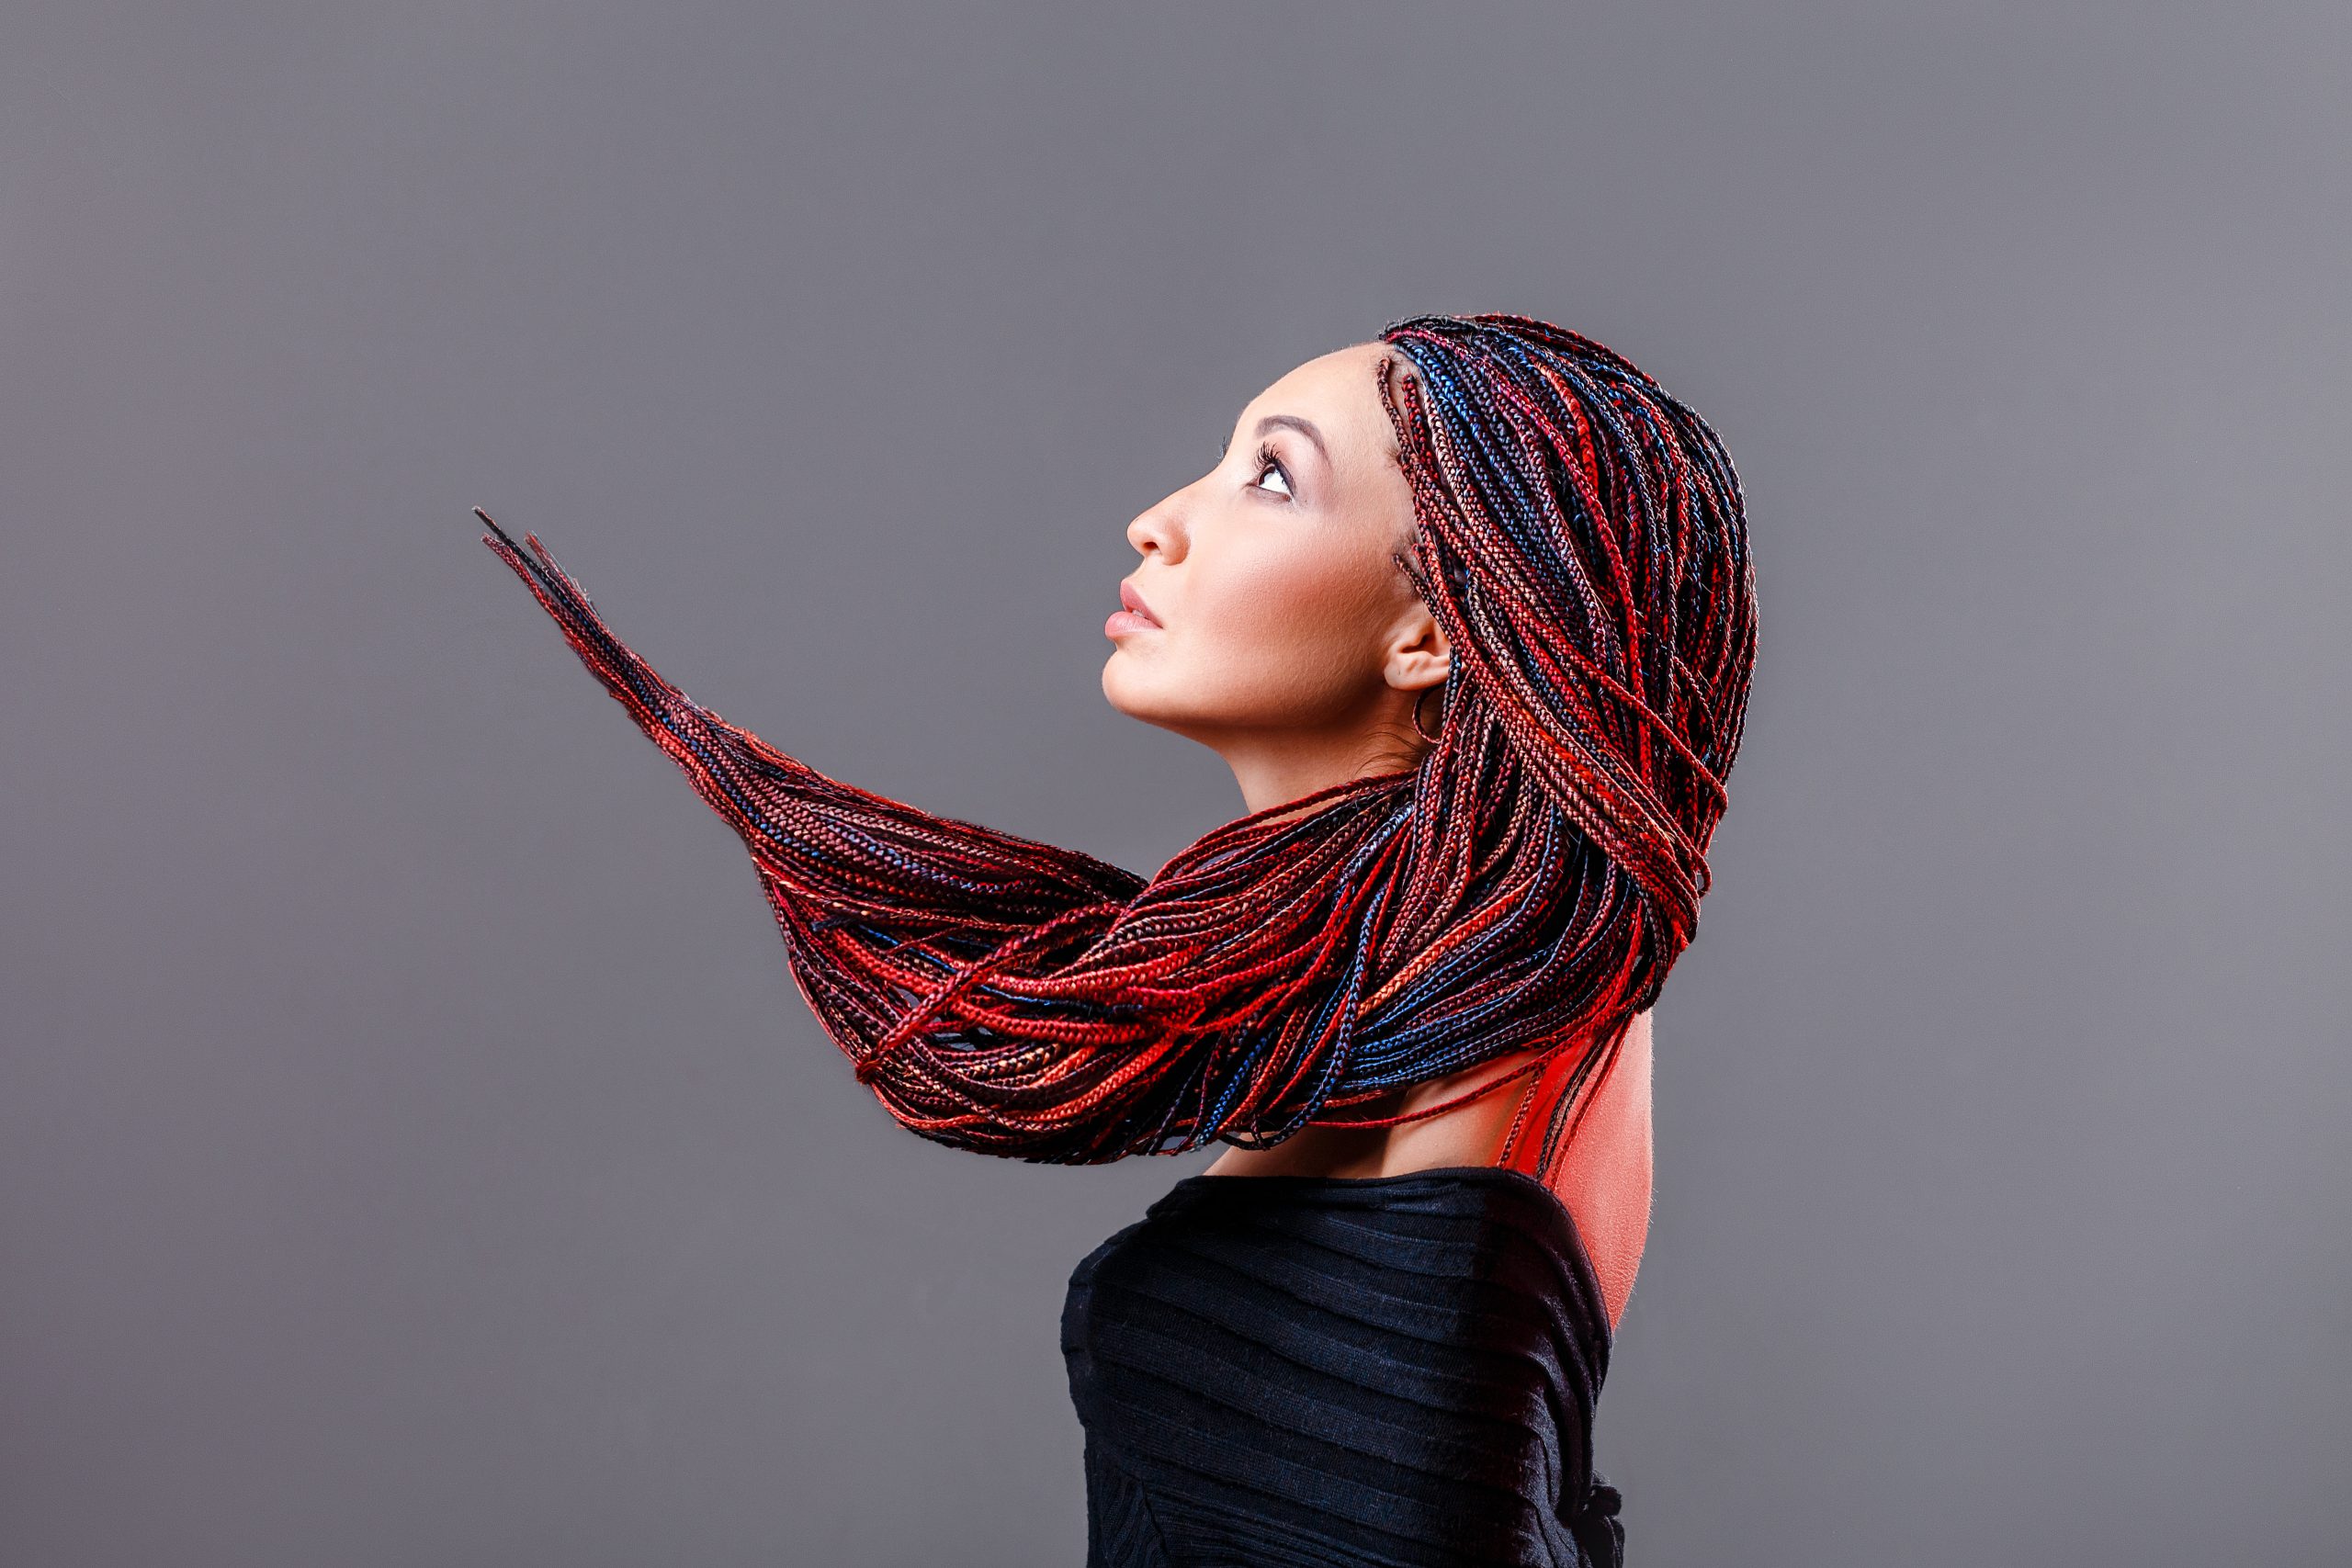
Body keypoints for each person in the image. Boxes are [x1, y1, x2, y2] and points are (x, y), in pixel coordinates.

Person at [478, 311, 1757, 1566]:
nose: (1162, 518)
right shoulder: (1415, 992)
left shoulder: (1523, 1022)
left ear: (1430, 633)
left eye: (1271, 477)